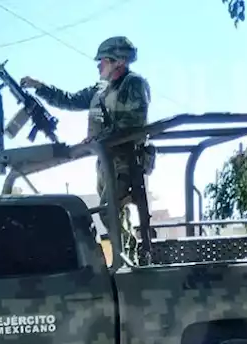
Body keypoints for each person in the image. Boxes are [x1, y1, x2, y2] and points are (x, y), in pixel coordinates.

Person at [19, 36, 153, 249]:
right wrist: (39, 87)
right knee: (110, 213)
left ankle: (133, 257)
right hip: (105, 160)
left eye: (104, 60)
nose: (99, 65)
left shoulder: (133, 84)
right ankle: (130, 255)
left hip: (127, 160)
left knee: (108, 212)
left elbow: (132, 125)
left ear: (119, 62)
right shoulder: (101, 90)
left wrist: (97, 139)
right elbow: (70, 100)